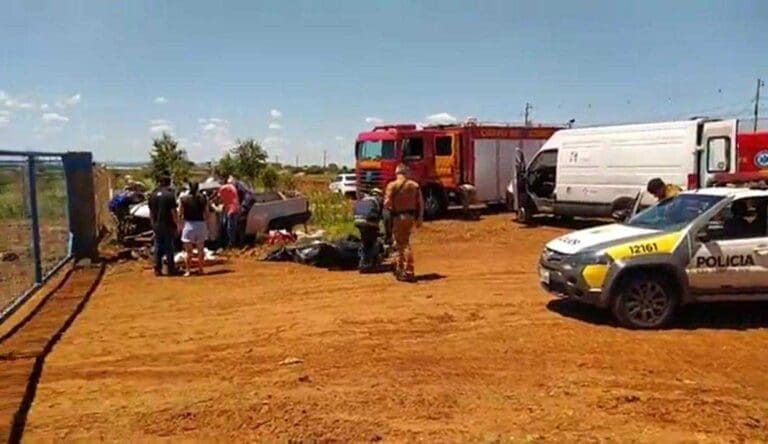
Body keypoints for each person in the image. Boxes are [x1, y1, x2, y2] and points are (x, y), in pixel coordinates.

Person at [384, 164, 424, 282]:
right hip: (410, 216)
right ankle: (404, 268)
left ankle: (405, 269)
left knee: (401, 244)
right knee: (404, 242)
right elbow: (421, 204)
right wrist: (420, 218)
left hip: (398, 216)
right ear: (406, 172)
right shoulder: (414, 185)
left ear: (396, 173)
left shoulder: (392, 185)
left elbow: (387, 203)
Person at [148, 174, 179, 276]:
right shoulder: (170, 196)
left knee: (157, 246)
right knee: (169, 246)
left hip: (157, 224)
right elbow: (173, 212)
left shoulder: (152, 195)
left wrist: (153, 224)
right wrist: (177, 224)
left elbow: (151, 212)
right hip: (168, 224)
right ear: (169, 183)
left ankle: (157, 269)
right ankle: (171, 268)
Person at [179, 182, 209, 276]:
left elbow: (180, 213)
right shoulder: (203, 198)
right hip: (200, 224)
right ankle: (200, 269)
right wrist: (206, 224)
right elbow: (206, 213)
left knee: (188, 251)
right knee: (201, 249)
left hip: (189, 225)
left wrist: (180, 224)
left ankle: (188, 270)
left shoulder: (183, 199)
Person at [353, 188, 384, 273]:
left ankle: (362, 262)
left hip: (358, 223)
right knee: (372, 242)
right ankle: (370, 263)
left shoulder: (363, 200)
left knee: (364, 242)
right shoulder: (377, 201)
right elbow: (382, 216)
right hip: (369, 223)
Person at [218, 177, 241, 248]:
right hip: (235, 208)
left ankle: (231, 243)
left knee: (230, 227)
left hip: (231, 209)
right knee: (231, 226)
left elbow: (219, 199)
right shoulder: (232, 187)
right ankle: (232, 242)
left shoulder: (223, 188)